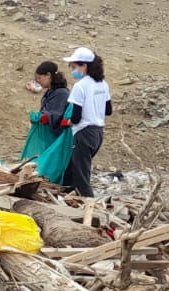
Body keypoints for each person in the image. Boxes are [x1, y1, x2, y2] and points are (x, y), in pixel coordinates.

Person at [62, 47, 112, 197]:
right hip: (98, 133)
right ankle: (67, 196)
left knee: (81, 177)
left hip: (83, 132)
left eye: (74, 66)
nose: (73, 70)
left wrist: (68, 122)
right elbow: (108, 110)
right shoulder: (103, 84)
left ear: (84, 66)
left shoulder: (80, 86)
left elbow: (76, 117)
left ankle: (90, 208)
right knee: (73, 169)